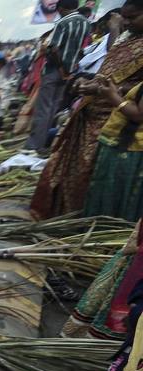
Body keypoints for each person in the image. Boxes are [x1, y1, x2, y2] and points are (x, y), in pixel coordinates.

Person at [33, 0, 143, 218]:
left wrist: (107, 91)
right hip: (93, 110)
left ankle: (85, 220)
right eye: (124, 17)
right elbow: (109, 71)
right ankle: (65, 214)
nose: (126, 22)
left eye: (132, 18)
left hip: (120, 121)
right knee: (68, 167)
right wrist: (87, 84)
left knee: (94, 174)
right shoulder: (128, 38)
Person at [29, 0, 90, 150]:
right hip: (69, 71)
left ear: (61, 8)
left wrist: (61, 68)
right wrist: (68, 70)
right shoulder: (85, 23)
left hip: (54, 70)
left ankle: (34, 146)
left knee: (44, 109)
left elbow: (53, 49)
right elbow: (82, 48)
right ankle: (44, 144)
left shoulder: (62, 23)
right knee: (53, 108)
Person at [84, 80, 143, 220]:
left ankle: (105, 229)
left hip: (130, 148)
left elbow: (139, 115)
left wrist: (112, 96)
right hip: (125, 143)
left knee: (113, 193)